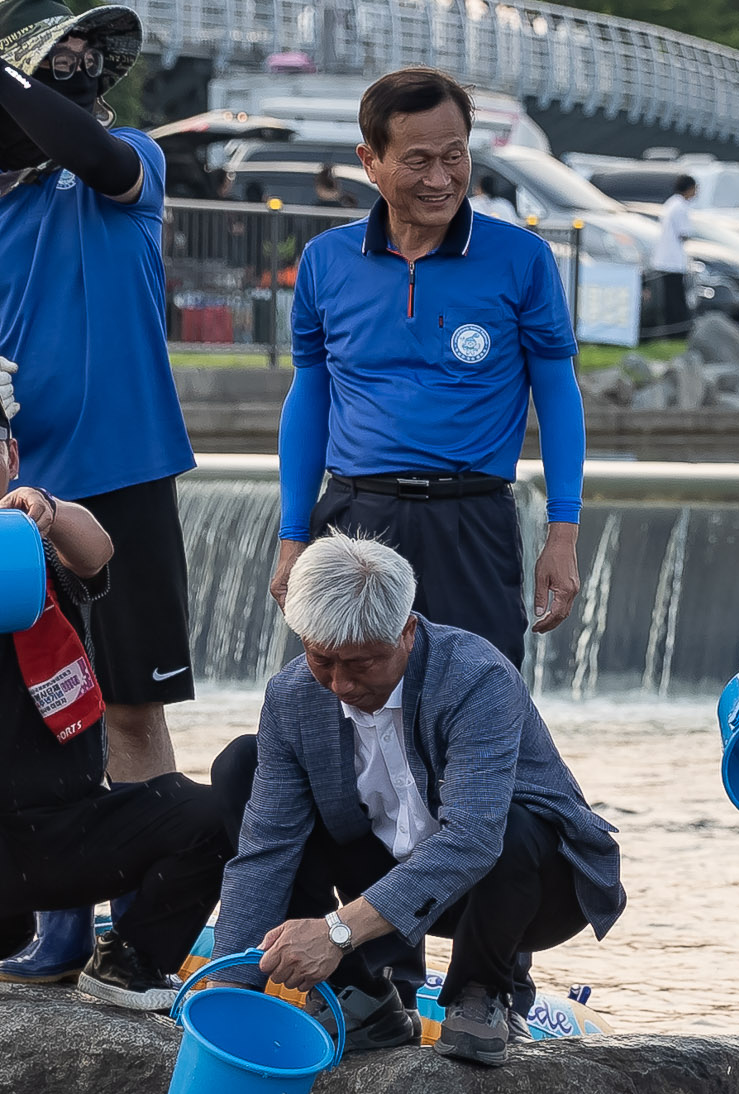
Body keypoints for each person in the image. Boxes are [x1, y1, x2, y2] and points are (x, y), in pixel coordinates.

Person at [210, 535, 626, 1065]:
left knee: (515, 826)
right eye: (321, 659)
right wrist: (230, 992)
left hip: (526, 889)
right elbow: (266, 851)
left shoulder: (477, 678)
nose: (339, 683)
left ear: (407, 631)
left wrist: (337, 931)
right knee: (239, 767)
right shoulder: (292, 695)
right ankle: (359, 997)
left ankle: (483, 993)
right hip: (388, 870)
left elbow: (472, 841)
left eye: (362, 664)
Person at [0, 7, 202, 983]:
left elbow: (87, 149)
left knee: (130, 709)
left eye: (82, 52)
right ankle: (57, 921)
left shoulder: (129, 162)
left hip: (124, 475)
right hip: (18, 502)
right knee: (41, 717)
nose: (73, 62)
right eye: (50, 53)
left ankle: (143, 926)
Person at [270, 66, 585, 670]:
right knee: (349, 709)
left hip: (472, 520)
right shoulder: (324, 261)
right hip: (353, 523)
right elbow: (309, 398)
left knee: (480, 709)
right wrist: (292, 537)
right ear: (370, 160)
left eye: (455, 156)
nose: (441, 179)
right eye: (417, 160)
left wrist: (562, 534)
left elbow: (558, 394)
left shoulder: (523, 259)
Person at [0, 357, 229, 1008]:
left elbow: (97, 549)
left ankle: (131, 958)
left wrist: (46, 509)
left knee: (214, 811)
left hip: (69, 827)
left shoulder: (39, 538)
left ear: (13, 455)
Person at [651, 173, 696, 339]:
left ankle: (671, 331)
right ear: (689, 188)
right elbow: (684, 233)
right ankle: (678, 332)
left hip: (664, 258)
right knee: (676, 298)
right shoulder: (681, 206)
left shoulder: (670, 204)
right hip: (673, 260)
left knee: (669, 298)